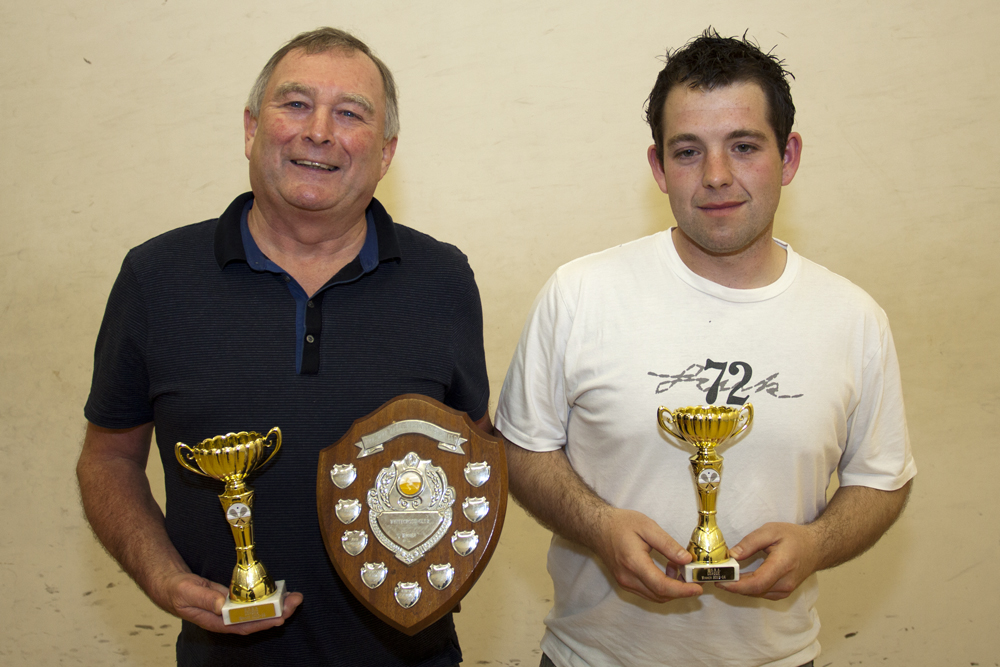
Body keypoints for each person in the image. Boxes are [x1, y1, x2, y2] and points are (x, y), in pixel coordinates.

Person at [494, 28, 916, 667]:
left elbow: (882, 481)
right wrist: (599, 527)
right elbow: (523, 450)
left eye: (744, 146)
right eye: (688, 152)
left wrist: (819, 543)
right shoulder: (579, 294)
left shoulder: (853, 318)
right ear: (659, 167)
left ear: (789, 157)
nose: (717, 176)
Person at [77, 27, 490, 667]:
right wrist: (161, 576)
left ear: (385, 152)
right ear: (250, 128)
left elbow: (474, 456)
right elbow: (107, 461)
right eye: (295, 104)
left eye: (350, 114)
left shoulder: (443, 280)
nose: (319, 131)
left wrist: (446, 563)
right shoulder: (155, 277)